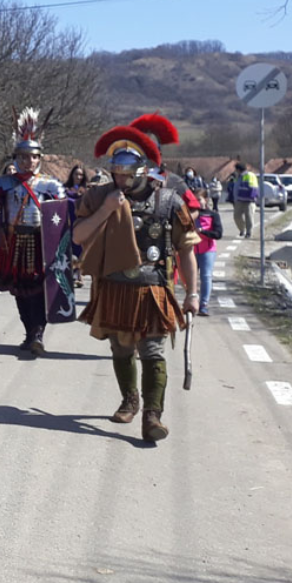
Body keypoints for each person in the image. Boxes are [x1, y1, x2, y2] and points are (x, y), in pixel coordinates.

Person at [72, 119, 199, 442]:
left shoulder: (169, 201)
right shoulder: (98, 197)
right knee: (121, 348)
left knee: (153, 350)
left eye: (127, 174)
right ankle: (130, 399)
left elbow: (186, 249)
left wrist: (192, 293)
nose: (121, 180)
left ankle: (152, 416)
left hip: (153, 287)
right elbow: (78, 235)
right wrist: (106, 210)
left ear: (143, 171)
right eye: (117, 174)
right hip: (113, 286)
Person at [0, 109, 63, 355]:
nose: (29, 161)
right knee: (19, 291)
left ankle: (38, 333)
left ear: (40, 159)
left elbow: (61, 220)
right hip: (13, 242)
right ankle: (29, 333)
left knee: (39, 290)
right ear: (16, 158)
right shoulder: (2, 185)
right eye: (24, 157)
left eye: (34, 157)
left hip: (40, 244)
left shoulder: (50, 186)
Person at [192, 195, 222, 316]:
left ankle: (204, 305)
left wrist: (203, 231)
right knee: (190, 278)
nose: (197, 202)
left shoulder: (212, 215)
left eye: (199, 199)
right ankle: (192, 301)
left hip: (208, 250)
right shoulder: (190, 215)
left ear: (206, 200)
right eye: (195, 199)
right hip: (191, 250)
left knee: (206, 276)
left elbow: (218, 234)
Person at [64, 165, 90, 288]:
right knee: (68, 249)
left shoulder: (87, 191)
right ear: (72, 175)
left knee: (80, 250)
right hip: (68, 224)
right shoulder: (64, 189)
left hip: (81, 224)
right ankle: (68, 274)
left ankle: (78, 274)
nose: (78, 177)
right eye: (76, 174)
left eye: (81, 175)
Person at [231, 161, 258, 238]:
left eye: (236, 169)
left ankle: (249, 232)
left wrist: (253, 197)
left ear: (238, 169)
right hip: (239, 200)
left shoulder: (249, 175)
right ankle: (242, 230)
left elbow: (254, 187)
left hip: (249, 200)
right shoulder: (238, 177)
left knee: (249, 216)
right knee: (237, 216)